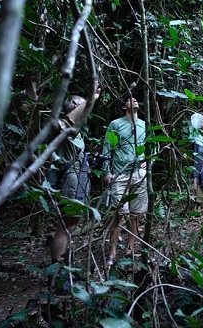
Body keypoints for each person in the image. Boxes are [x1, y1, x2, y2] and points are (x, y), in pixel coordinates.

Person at [47, 89, 99, 289]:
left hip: (79, 180)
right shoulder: (64, 129)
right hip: (70, 182)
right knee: (65, 225)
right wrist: (90, 99)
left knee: (71, 226)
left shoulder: (77, 133)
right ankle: (57, 274)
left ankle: (66, 272)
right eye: (83, 107)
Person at [103, 92, 148, 266]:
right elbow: (107, 147)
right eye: (129, 99)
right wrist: (107, 171)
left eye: (136, 98)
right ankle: (112, 253)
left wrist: (147, 161)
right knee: (119, 214)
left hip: (139, 173)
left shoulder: (144, 124)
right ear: (124, 107)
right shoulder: (116, 124)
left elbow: (152, 144)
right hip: (120, 174)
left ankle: (131, 249)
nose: (134, 99)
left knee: (135, 215)